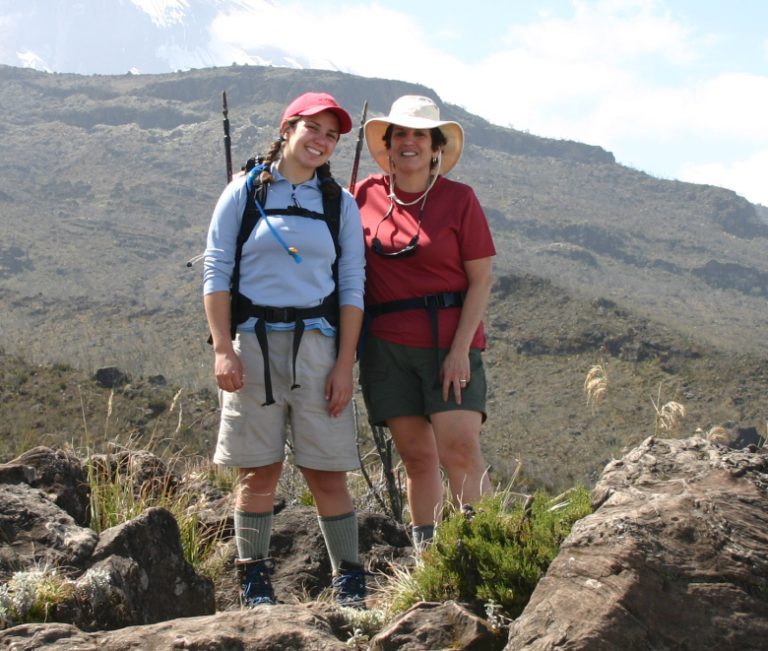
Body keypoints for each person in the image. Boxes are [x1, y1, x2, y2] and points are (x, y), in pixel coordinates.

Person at [202, 92, 367, 608]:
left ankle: (350, 584)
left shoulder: (339, 202)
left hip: (318, 348)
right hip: (251, 344)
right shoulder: (245, 191)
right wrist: (222, 348)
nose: (321, 141)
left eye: (332, 135)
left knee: (326, 470)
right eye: (312, 129)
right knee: (259, 469)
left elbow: (353, 285)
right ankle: (255, 583)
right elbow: (216, 269)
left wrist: (345, 365)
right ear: (288, 128)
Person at [354, 95, 495, 548]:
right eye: (401, 134)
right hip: (385, 348)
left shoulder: (460, 200)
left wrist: (460, 352)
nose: (409, 142)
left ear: (436, 148)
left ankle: (489, 552)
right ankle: (429, 560)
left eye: (420, 135)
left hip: (448, 345)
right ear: (388, 144)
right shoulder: (363, 195)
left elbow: (481, 280)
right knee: (416, 457)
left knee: (460, 451)